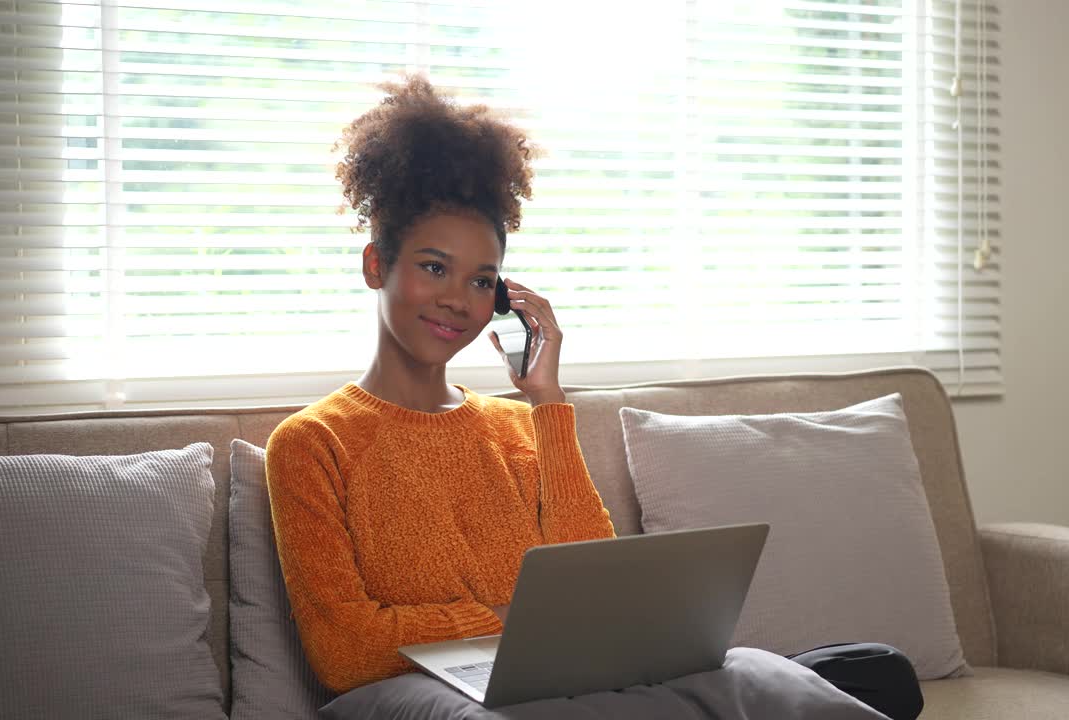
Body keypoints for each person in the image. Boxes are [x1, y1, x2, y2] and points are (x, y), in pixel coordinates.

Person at [265, 73, 922, 720]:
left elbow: (599, 595)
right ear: (377, 265)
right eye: (433, 267)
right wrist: (504, 622)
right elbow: (345, 651)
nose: (455, 300)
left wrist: (546, 401)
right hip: (406, 696)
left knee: (758, 674)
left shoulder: (517, 428)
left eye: (480, 280)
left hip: (551, 683)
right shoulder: (310, 442)